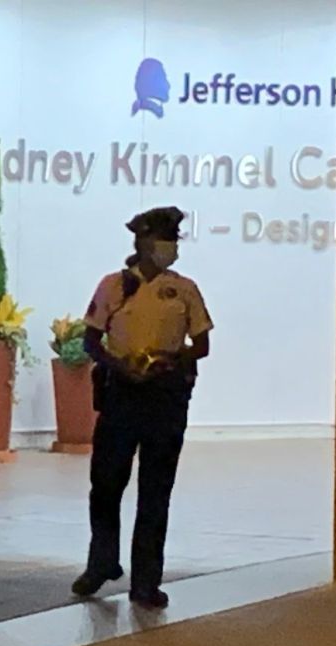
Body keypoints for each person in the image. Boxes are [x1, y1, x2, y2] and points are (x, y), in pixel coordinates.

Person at [71, 206, 213, 609]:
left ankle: (146, 581)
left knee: (156, 491)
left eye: (173, 240)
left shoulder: (184, 289)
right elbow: (90, 341)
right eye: (163, 239)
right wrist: (121, 366)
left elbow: (202, 344)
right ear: (142, 242)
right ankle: (102, 562)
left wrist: (174, 360)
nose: (170, 247)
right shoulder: (113, 286)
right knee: (106, 484)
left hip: (165, 396)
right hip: (122, 394)